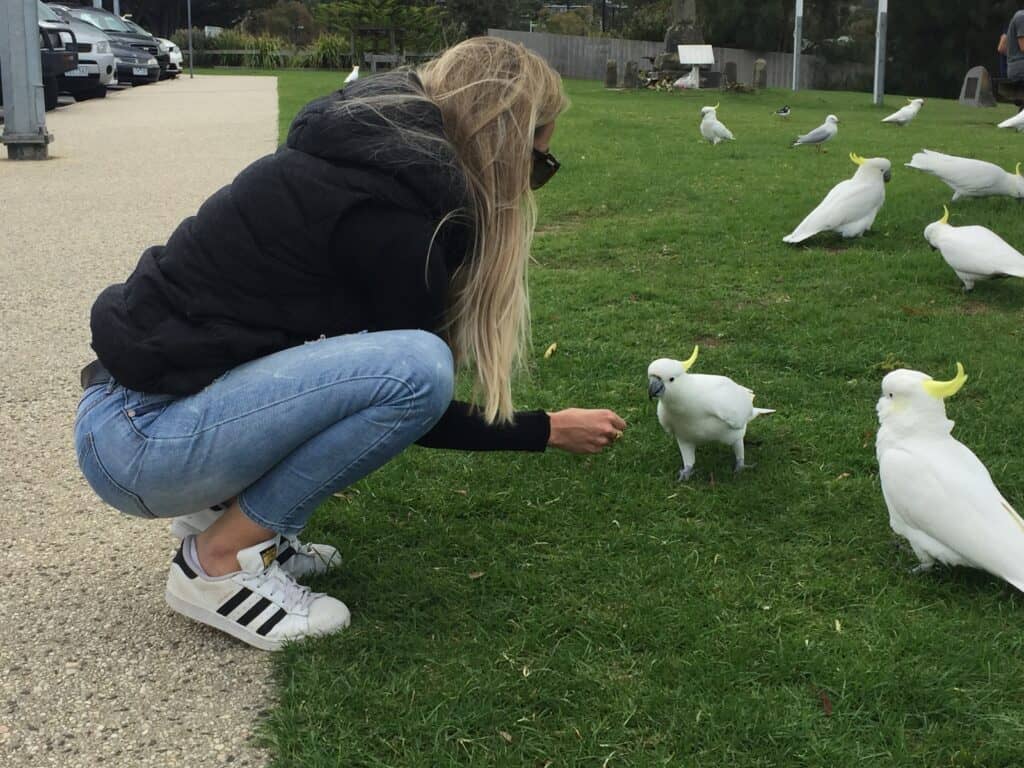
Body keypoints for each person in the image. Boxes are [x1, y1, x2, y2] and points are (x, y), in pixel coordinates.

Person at [74, 37, 627, 652]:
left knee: (390, 365)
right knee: (419, 369)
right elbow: (416, 406)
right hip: (143, 444)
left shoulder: (366, 163)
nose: (533, 185)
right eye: (539, 164)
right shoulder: (399, 221)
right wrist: (545, 430)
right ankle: (216, 562)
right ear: (503, 146)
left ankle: (229, 520)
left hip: (132, 419)